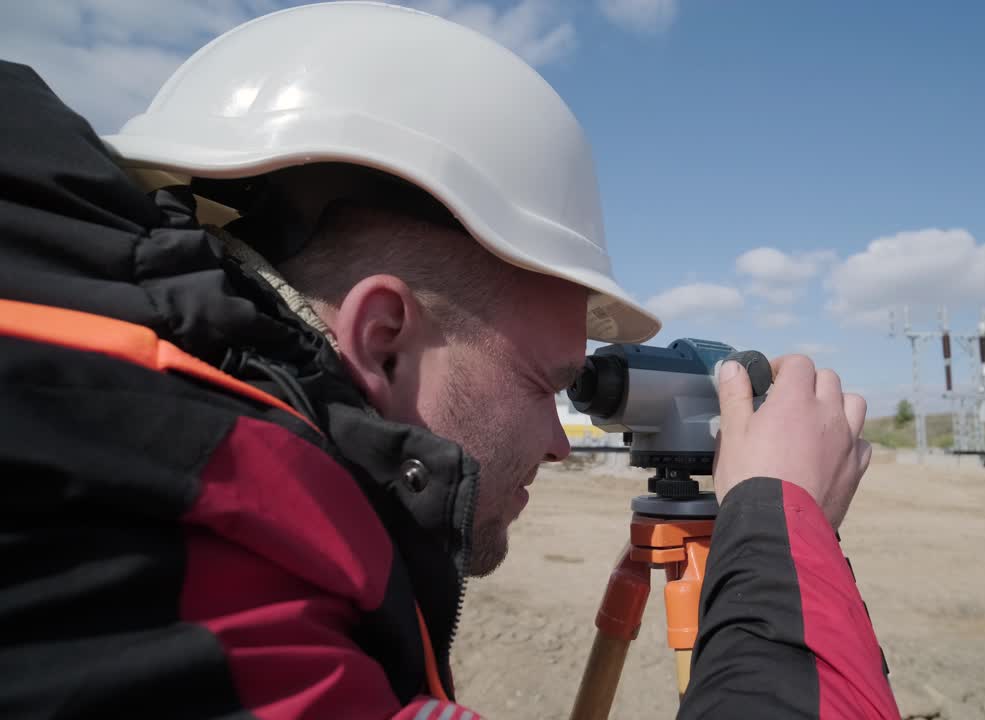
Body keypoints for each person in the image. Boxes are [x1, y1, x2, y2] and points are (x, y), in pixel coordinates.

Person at [0, 3, 899, 718]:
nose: (558, 442)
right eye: (544, 383)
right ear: (382, 336)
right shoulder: (201, 596)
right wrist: (781, 534)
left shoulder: (114, 462)